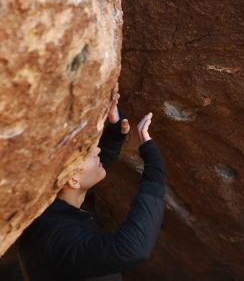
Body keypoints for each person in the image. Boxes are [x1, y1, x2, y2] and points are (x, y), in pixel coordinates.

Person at [17, 93, 166, 280]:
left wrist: (114, 133)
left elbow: (90, 169)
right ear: (71, 181)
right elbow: (132, 249)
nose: (96, 149)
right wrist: (155, 170)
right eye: (86, 152)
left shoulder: (53, 211)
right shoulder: (56, 236)